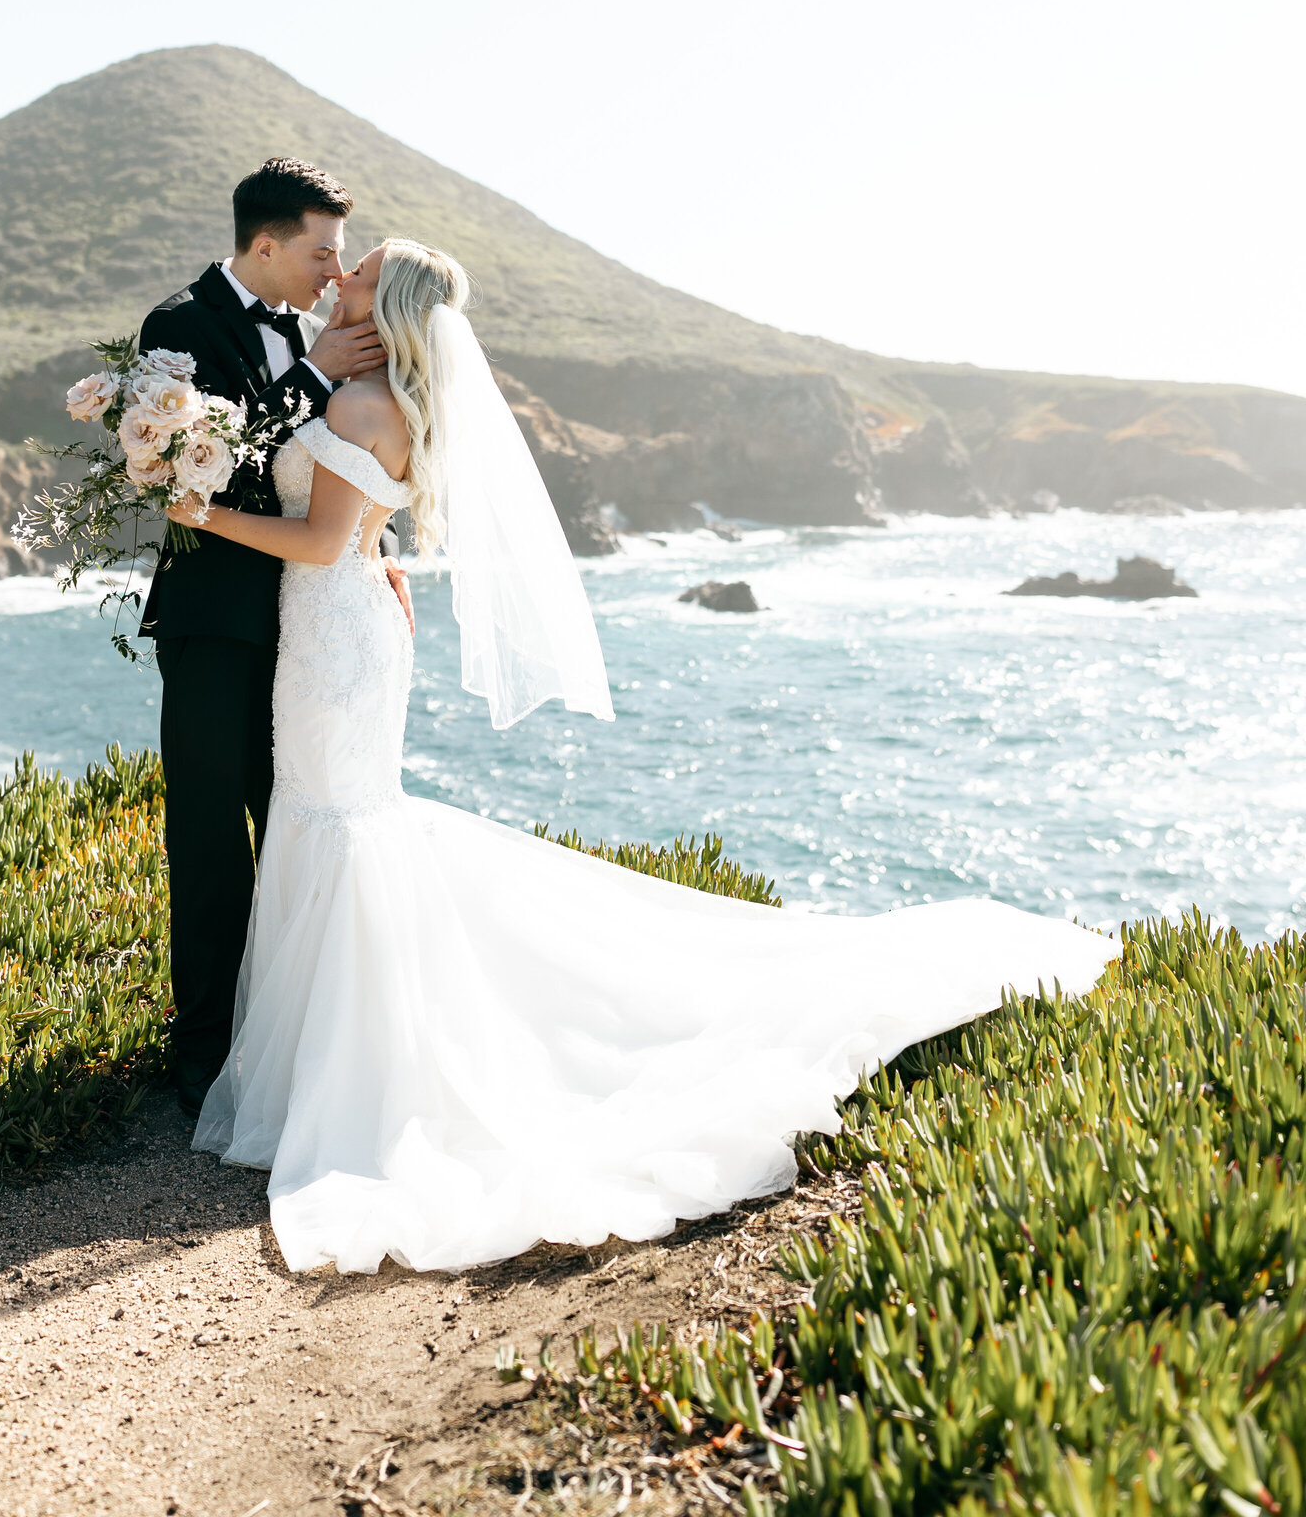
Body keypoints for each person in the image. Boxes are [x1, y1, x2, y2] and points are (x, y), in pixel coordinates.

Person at [173, 238, 1118, 1275]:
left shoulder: (362, 407)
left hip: (335, 638)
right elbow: (352, 526)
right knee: (335, 820)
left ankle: (349, 1074)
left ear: (384, 302)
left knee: (339, 822)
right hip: (341, 629)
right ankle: (329, 1060)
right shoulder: (371, 392)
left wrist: (199, 512)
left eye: (358, 272)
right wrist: (368, 544)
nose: (338, 274)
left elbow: (317, 540)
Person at [137, 157, 407, 1120]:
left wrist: (378, 550)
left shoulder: (314, 329)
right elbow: (210, 466)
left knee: (294, 822)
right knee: (210, 831)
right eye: (321, 251)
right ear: (264, 244)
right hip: (217, 621)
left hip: (311, 619)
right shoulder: (178, 327)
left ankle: (290, 1034)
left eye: (341, 254)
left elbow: (343, 458)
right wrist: (310, 375)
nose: (336, 273)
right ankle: (205, 1050)